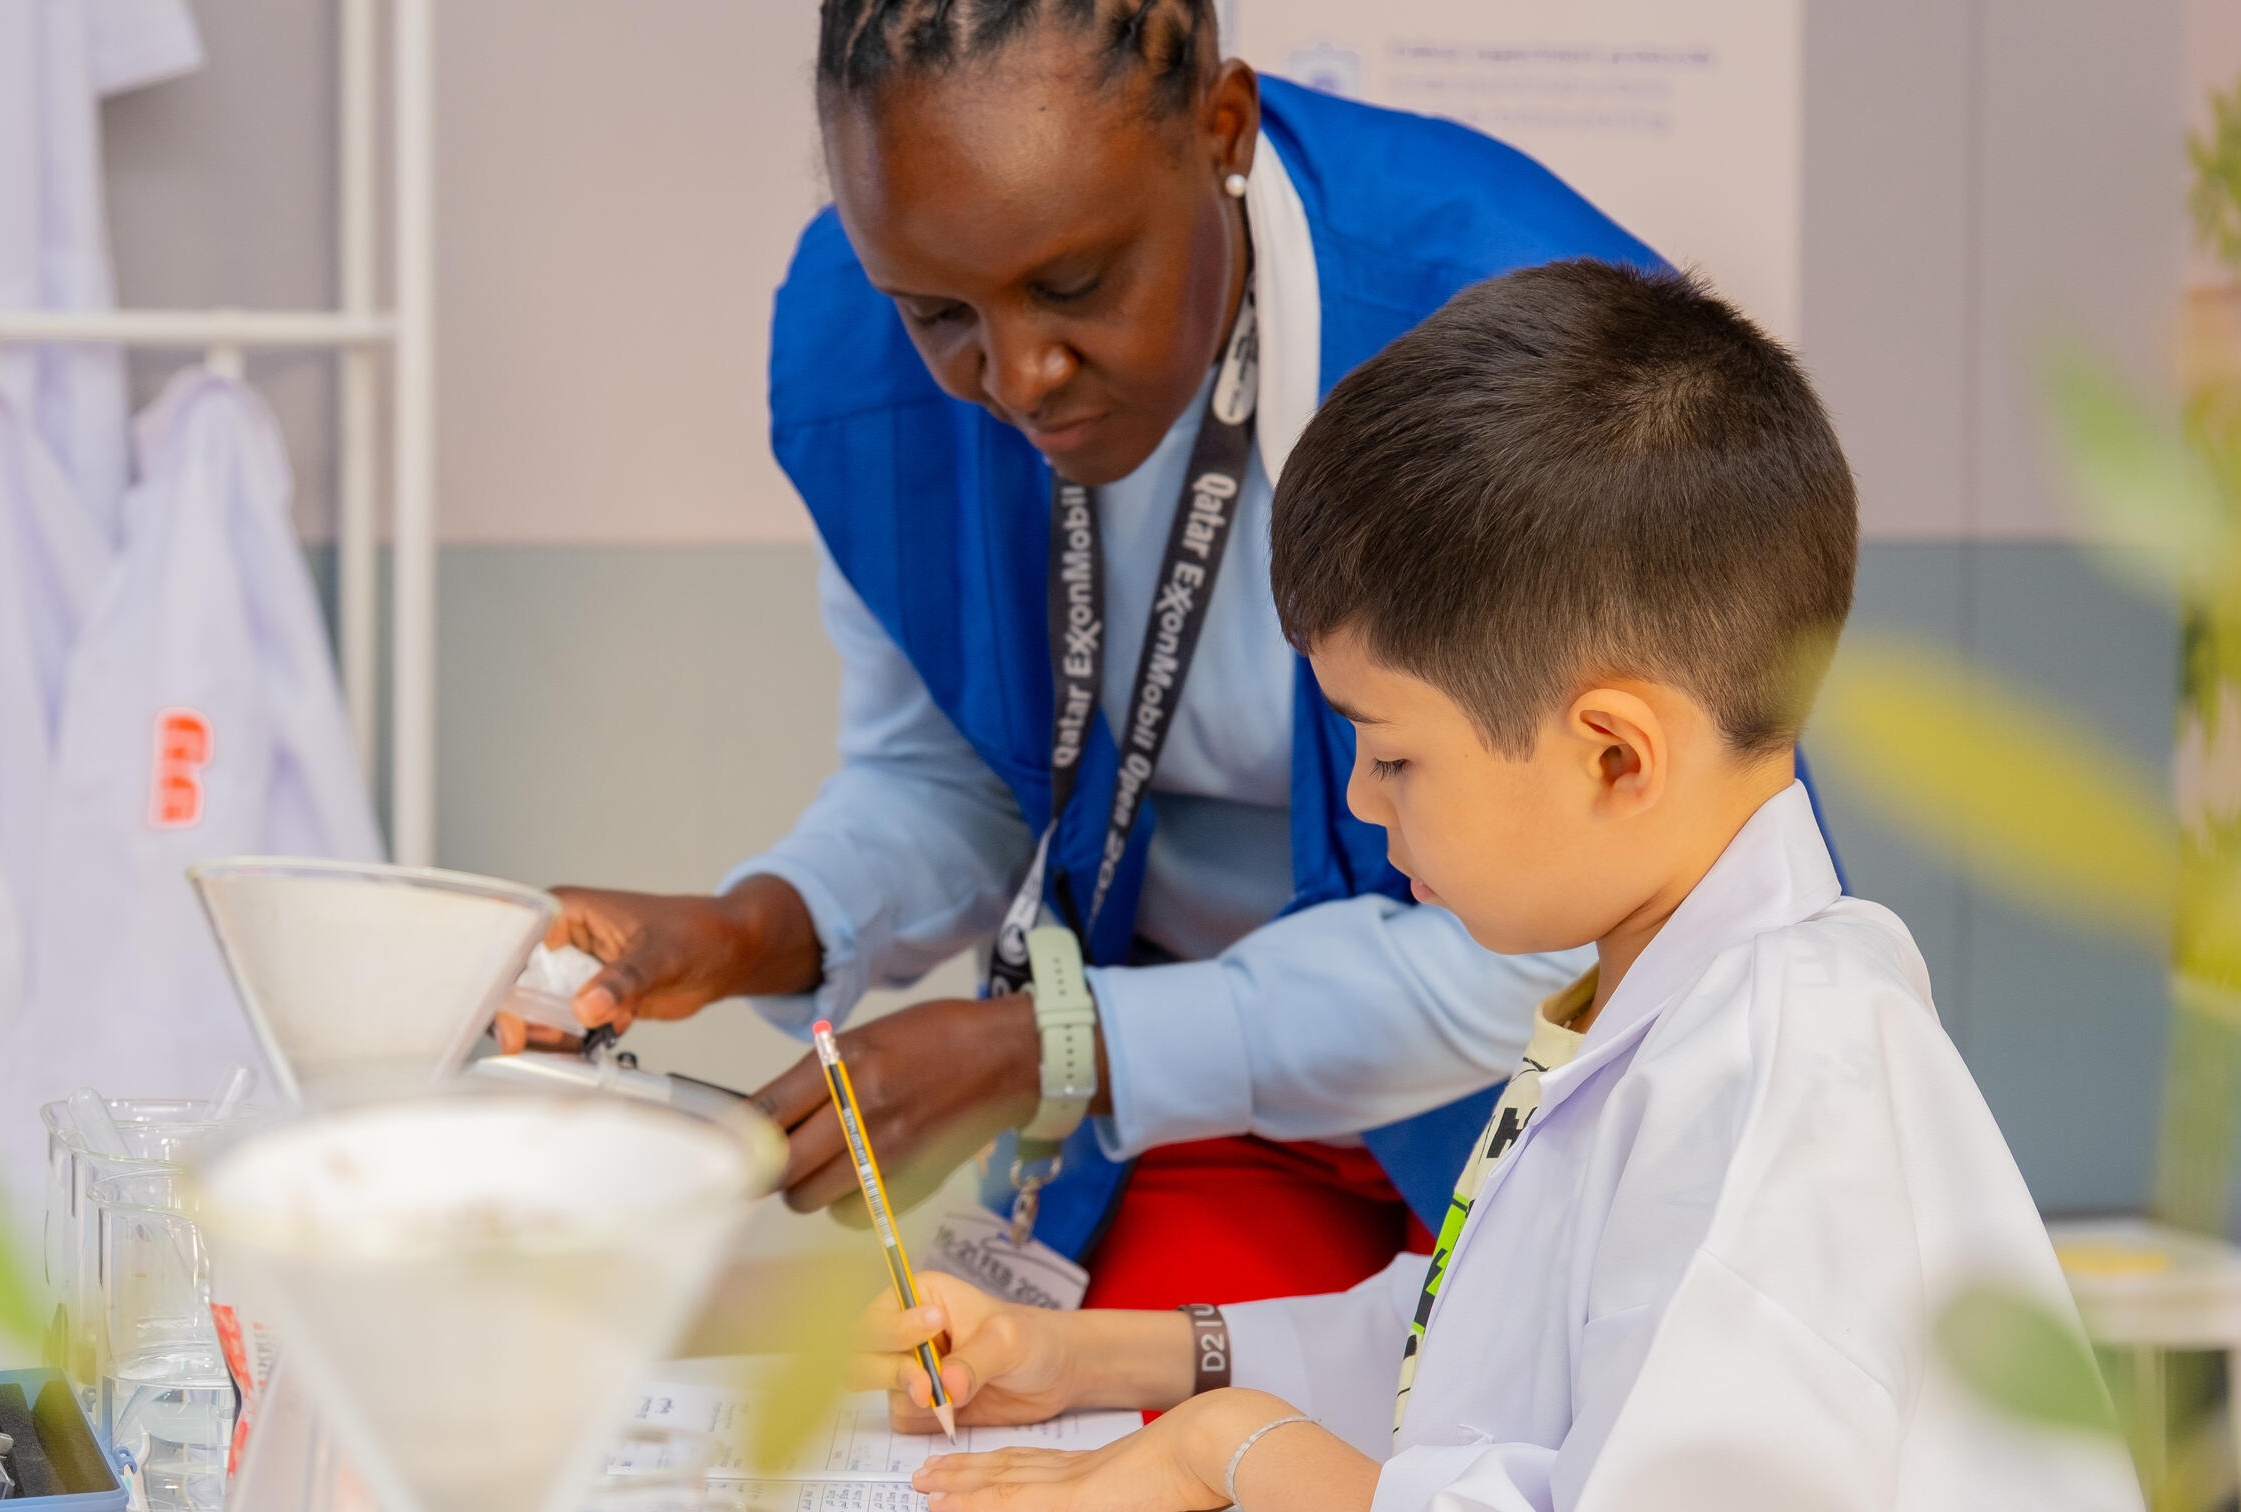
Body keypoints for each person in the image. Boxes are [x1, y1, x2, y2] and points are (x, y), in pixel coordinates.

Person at [529, 0, 1836, 1308]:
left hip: (1546, 1083)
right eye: (938, 314)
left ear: (1222, 129)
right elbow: (960, 773)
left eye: (1077, 283)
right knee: (1114, 1445)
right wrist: (753, 929)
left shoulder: (1513, 350)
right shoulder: (866, 343)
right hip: (1189, 1094)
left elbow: (1580, 932)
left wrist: (1054, 1045)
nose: (1019, 373)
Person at [847, 261, 2135, 1511]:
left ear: (1615, 756)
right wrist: (1084, 1359)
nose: (1357, 797)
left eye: (1394, 749)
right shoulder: (1679, 1001)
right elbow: (1477, 1347)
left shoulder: (1793, 1080)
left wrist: (1225, 1449)